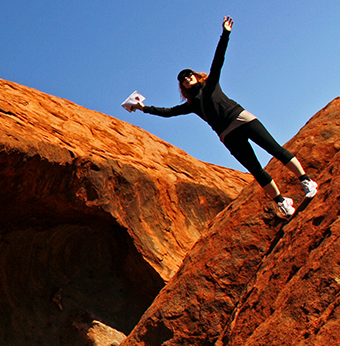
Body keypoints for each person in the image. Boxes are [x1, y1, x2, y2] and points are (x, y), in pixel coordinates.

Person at [127, 16, 317, 217]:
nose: (186, 78)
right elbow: (168, 113)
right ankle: (281, 202)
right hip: (227, 135)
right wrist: (142, 108)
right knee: (256, 169)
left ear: (196, 76)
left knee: (275, 149)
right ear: (181, 86)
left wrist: (225, 33)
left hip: (242, 119)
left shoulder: (210, 84)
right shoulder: (191, 105)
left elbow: (218, 60)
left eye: (189, 74)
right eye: (182, 79)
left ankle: (306, 180)